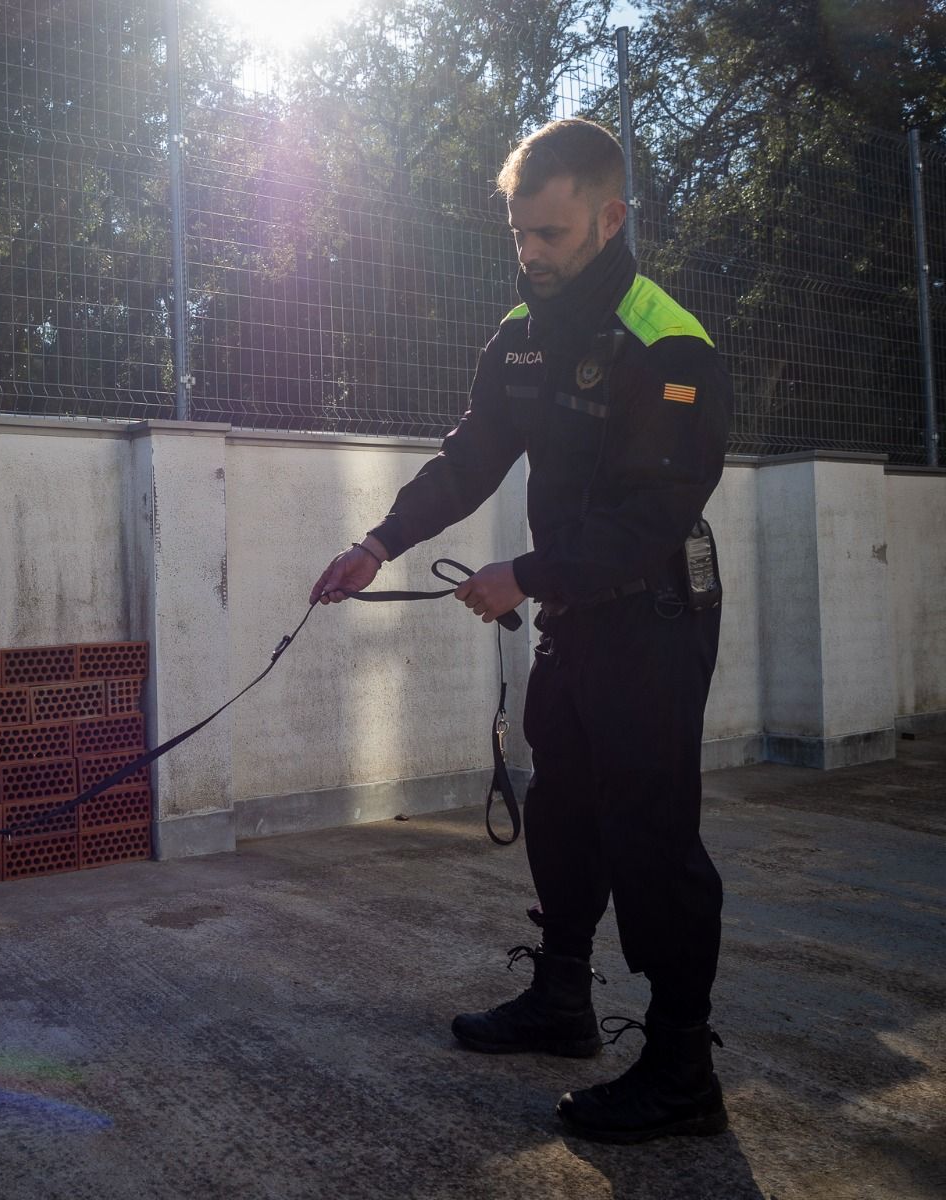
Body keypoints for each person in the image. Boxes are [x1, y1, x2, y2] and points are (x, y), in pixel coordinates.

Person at [310, 118, 733, 1144]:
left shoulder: (668, 343)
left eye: (549, 234)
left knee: (652, 835)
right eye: (518, 235)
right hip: (574, 615)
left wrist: (521, 577)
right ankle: (562, 1001)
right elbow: (471, 457)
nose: (531, 254)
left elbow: (650, 518)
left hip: (656, 610)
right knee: (561, 809)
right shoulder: (523, 332)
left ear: (608, 217)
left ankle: (681, 1070)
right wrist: (380, 539)